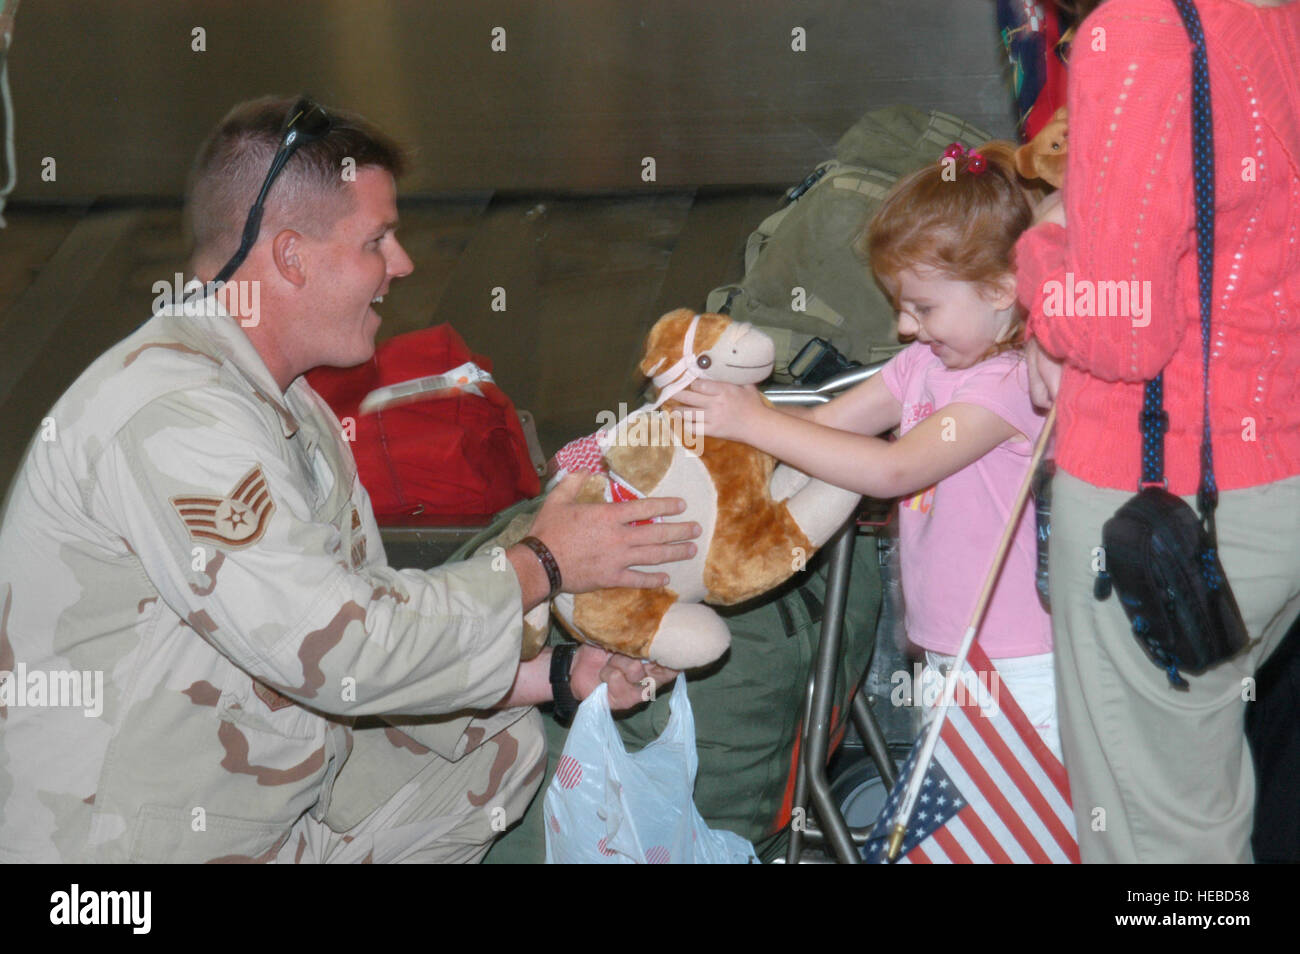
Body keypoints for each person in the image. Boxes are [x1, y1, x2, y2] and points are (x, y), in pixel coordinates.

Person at [0, 96, 698, 863]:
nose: (400, 265)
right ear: (293, 257)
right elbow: (344, 652)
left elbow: (375, 644)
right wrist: (543, 564)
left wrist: (557, 676)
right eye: (377, 240)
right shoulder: (176, 418)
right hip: (108, 866)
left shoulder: (287, 405)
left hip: (246, 803)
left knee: (494, 752)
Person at [1016, 0, 1300, 863]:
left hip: (1171, 494)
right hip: (1273, 472)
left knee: (1164, 847)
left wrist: (1039, 247)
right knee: (1203, 797)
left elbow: (1119, 326)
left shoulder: (1141, 29)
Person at [676, 141, 1061, 759]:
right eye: (901, 308)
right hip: (947, 657)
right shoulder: (923, 363)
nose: (907, 328)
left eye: (923, 307)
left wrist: (752, 422)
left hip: (1018, 666)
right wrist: (714, 442)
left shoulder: (1011, 384)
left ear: (999, 289)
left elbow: (892, 469)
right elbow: (827, 428)